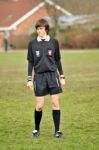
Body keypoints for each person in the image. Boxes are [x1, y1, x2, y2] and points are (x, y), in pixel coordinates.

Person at [27, 18, 65, 138]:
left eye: (41, 29)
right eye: (37, 29)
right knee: (39, 105)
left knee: (55, 102)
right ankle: (36, 129)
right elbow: (31, 62)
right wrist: (29, 79)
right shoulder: (32, 44)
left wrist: (62, 76)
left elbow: (58, 59)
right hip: (39, 77)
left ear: (46, 29)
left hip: (53, 76)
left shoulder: (54, 42)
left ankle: (57, 131)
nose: (39, 31)